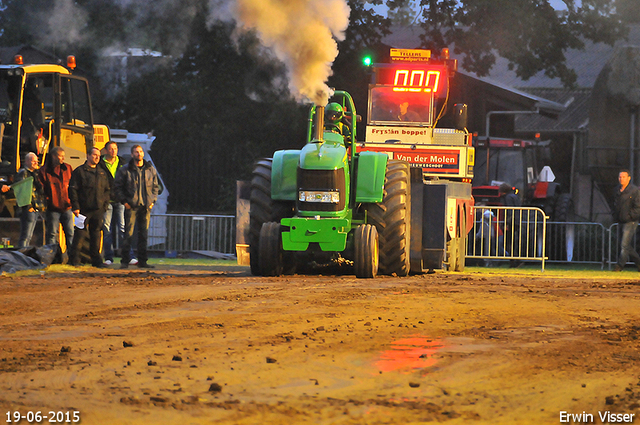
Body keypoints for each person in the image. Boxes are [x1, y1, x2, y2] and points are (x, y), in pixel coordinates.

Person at [114, 144, 159, 269]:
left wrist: (152, 201)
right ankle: (124, 261)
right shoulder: (125, 170)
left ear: (143, 153)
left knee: (143, 234)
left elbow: (156, 187)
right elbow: (117, 187)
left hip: (145, 207)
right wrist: (125, 202)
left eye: (140, 151)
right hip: (131, 206)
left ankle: (143, 262)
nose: (138, 154)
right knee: (128, 234)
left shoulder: (150, 169)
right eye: (136, 152)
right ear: (132, 154)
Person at [68, 147, 111, 267]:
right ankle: (74, 260)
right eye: (94, 155)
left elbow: (107, 190)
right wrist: (75, 206)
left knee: (96, 235)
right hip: (83, 210)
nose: (97, 157)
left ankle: (96, 261)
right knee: (79, 235)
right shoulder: (80, 171)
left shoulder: (102, 172)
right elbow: (73, 189)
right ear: (88, 156)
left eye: (98, 155)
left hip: (98, 209)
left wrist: (104, 205)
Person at [100, 140, 134, 265]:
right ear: (106, 150)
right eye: (111, 149)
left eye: (115, 148)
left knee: (123, 228)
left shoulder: (122, 163)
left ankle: (129, 256)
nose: (113, 151)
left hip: (120, 200)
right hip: (106, 201)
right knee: (107, 229)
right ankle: (108, 257)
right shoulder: (100, 163)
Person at [39, 146, 74, 252]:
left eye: (64, 156)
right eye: (60, 156)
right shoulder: (44, 171)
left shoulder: (68, 168)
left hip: (67, 206)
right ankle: (52, 257)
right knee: (52, 234)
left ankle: (72, 257)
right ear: (54, 156)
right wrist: (47, 202)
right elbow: (41, 190)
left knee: (70, 233)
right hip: (52, 207)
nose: (63, 158)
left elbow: (73, 186)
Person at [15, 152, 44, 248]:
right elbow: (22, 192)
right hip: (28, 209)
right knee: (25, 235)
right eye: (33, 161)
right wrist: (28, 206)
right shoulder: (23, 173)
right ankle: (21, 256)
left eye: (37, 161)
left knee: (29, 235)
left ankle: (24, 255)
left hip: (36, 208)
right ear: (27, 161)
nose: (36, 163)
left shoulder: (36, 173)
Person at [613, 169, 640, 271]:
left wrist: (630, 216)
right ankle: (639, 263)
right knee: (625, 246)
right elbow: (614, 205)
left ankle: (619, 266)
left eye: (623, 177)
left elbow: (638, 207)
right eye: (620, 177)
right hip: (620, 220)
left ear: (629, 178)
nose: (621, 179)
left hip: (630, 221)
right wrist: (615, 215)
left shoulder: (634, 191)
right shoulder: (616, 190)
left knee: (624, 245)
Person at [499, 183, 524, 268]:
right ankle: (516, 261)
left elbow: (509, 211)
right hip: (516, 221)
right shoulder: (515, 196)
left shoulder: (508, 198)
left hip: (511, 222)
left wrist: (506, 223)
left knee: (508, 243)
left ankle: (514, 262)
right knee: (512, 242)